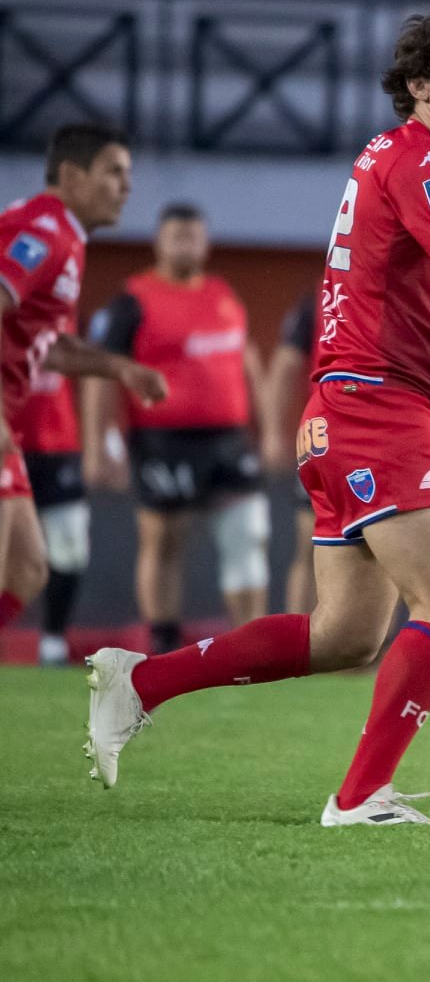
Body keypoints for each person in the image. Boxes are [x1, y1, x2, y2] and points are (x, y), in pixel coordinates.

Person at [84, 7, 430, 827]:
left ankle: (143, 681)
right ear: (418, 85)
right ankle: (360, 795)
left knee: (343, 634)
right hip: (379, 406)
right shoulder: (423, 161)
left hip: (342, 410)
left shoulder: (391, 157)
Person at [0, 124, 167, 635]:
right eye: (114, 172)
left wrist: (119, 367)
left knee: (26, 570)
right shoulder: (42, 233)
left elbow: (46, 344)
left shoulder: (64, 236)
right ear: (72, 175)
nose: (127, 186)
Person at [88, 203, 271, 654]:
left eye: (194, 236)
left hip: (228, 438)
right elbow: (101, 372)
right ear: (159, 241)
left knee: (249, 535)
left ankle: (250, 645)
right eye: (177, 236)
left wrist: (267, 427)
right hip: (162, 440)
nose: (187, 244)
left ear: (206, 242)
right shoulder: (133, 299)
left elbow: (246, 360)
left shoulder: (222, 293)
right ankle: (163, 640)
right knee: (164, 540)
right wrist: (98, 443)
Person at [19, 379, 88, 665]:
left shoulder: (58, 332)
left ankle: (53, 640)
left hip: (59, 443)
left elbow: (73, 359)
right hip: (8, 446)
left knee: (70, 546)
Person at [261, 291, 319, 614]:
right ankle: (300, 640)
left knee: (385, 549)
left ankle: (370, 652)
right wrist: (272, 433)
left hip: (380, 437)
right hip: (326, 437)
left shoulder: (399, 298)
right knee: (309, 544)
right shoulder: (316, 302)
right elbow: (284, 366)